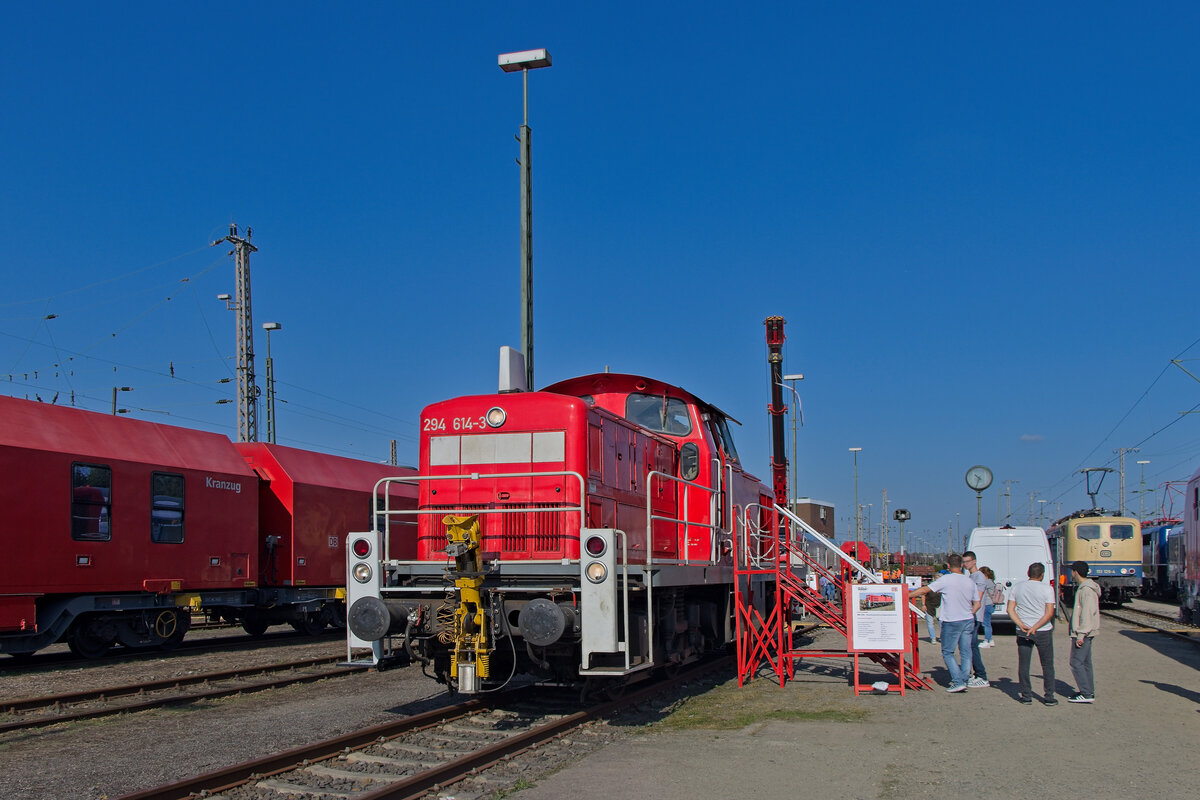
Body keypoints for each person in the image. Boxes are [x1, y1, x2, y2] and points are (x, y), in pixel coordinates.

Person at [910, 553, 980, 693]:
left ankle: (958, 681)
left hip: (951, 620)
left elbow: (925, 590)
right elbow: (977, 603)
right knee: (966, 651)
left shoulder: (946, 580)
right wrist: (969, 613)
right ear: (961, 565)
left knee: (948, 652)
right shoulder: (969, 581)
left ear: (948, 566)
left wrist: (905, 594)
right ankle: (965, 678)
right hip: (967, 619)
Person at [1006, 562, 1057, 706]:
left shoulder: (1017, 587)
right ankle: (1049, 696)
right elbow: (1049, 613)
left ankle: (1026, 696)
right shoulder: (1047, 589)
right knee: (1047, 665)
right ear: (1042, 575)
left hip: (1023, 631)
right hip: (1043, 631)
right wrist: (1036, 627)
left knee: (1024, 664)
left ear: (1028, 574)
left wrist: (1021, 624)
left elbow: (1010, 610)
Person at [1067, 561, 1100, 703]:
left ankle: (1086, 693)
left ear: (1076, 572)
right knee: (1085, 663)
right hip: (1087, 632)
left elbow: (1087, 613)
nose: (1071, 574)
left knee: (1076, 662)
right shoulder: (1086, 588)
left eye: (1072, 571)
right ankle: (1088, 691)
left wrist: (1081, 634)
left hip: (1083, 633)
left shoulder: (1086, 590)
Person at [961, 551, 992, 688]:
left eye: (968, 561)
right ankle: (976, 673)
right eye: (964, 562)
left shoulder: (978, 577)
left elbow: (977, 598)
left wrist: (970, 613)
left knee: (972, 646)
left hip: (975, 616)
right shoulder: (970, 576)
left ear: (974, 561)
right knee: (970, 646)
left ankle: (982, 675)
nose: (965, 564)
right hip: (971, 615)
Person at [979, 566, 998, 647]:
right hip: (990, 604)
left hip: (986, 604)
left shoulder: (986, 582)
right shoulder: (991, 581)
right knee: (987, 623)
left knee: (985, 623)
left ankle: (987, 640)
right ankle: (990, 639)